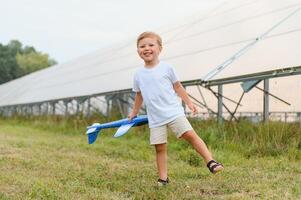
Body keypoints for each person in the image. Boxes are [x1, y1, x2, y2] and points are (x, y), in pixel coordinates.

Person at [128, 31, 224, 186]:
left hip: (173, 112)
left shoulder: (167, 67)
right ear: (138, 51)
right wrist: (134, 112)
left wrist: (189, 102)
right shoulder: (138, 74)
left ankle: (211, 161)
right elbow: (139, 95)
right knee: (160, 148)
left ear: (160, 48)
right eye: (142, 46)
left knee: (190, 135)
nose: (146, 48)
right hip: (155, 117)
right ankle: (163, 178)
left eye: (151, 45)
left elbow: (177, 87)